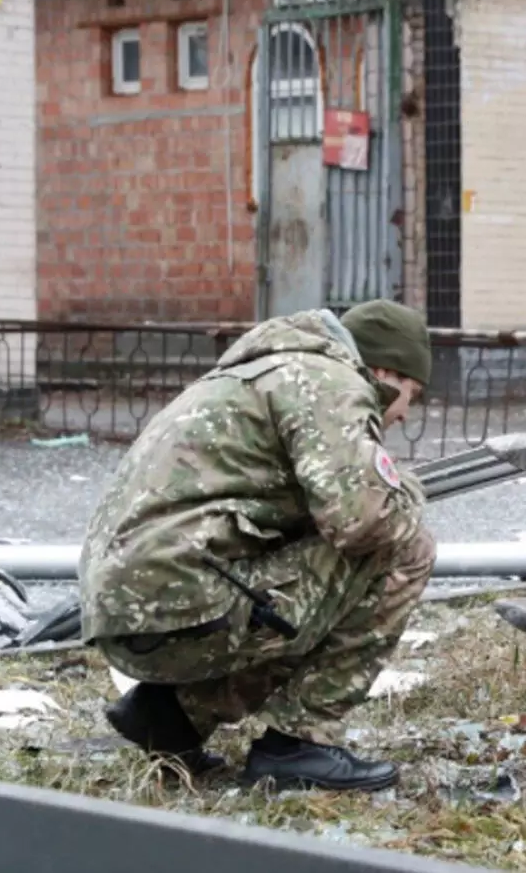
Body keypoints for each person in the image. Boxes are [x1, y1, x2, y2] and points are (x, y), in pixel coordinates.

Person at [77, 299, 436, 792]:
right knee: (404, 549)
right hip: (181, 604)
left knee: (309, 583)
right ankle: (300, 742)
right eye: (412, 394)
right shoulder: (331, 382)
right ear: (386, 371)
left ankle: (172, 715)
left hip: (126, 610)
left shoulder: (263, 372)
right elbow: (362, 522)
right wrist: (406, 492)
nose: (404, 413)